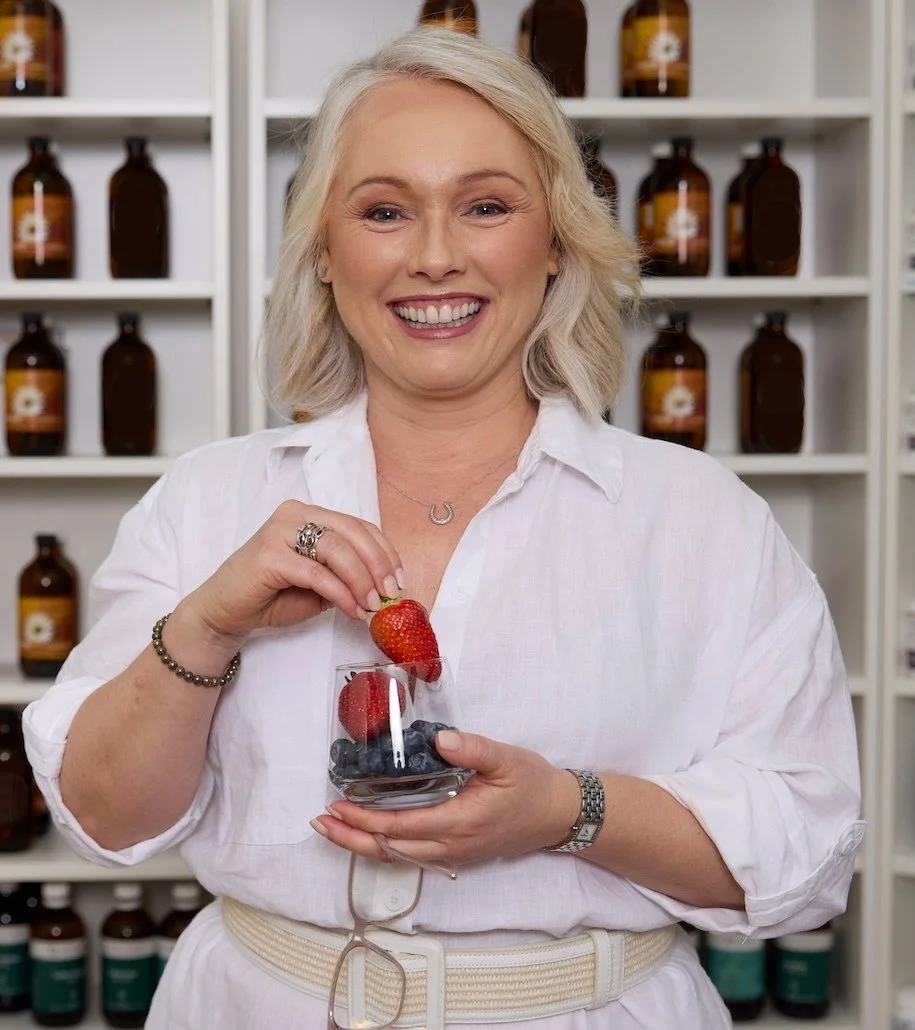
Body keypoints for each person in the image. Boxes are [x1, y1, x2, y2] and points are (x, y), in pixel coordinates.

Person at [23, 28, 863, 1030]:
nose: (433, 256)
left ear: (554, 241)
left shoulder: (702, 520)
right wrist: (206, 626)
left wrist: (567, 810)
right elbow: (105, 820)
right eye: (383, 210)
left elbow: (806, 858)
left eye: (485, 206)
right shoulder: (207, 501)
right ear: (325, 252)